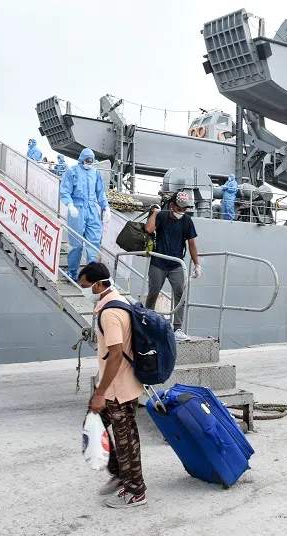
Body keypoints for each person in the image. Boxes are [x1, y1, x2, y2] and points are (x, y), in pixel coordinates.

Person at [80, 261, 147, 509]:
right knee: (94, 423)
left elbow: (116, 354)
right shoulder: (118, 300)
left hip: (118, 389)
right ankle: (120, 474)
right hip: (115, 385)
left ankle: (136, 491)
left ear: (98, 285)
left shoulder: (110, 313)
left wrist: (99, 393)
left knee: (126, 440)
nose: (83, 288)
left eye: (85, 285)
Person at [144, 191, 200, 340]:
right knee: (153, 292)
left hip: (176, 264)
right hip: (158, 263)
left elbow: (192, 243)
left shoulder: (187, 221)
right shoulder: (162, 216)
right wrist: (155, 213)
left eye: (185, 209)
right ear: (173, 205)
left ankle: (178, 329)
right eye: (180, 208)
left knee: (180, 294)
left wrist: (197, 264)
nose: (182, 211)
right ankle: (146, 323)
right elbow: (149, 229)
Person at [60, 148, 109, 281]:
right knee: (77, 243)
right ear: (82, 160)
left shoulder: (96, 173)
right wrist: (70, 205)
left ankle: (92, 275)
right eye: (87, 161)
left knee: (94, 243)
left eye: (91, 161)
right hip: (77, 209)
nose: (89, 163)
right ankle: (73, 271)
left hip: (92, 209)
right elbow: (65, 190)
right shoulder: (72, 171)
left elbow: (100, 193)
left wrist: (106, 207)